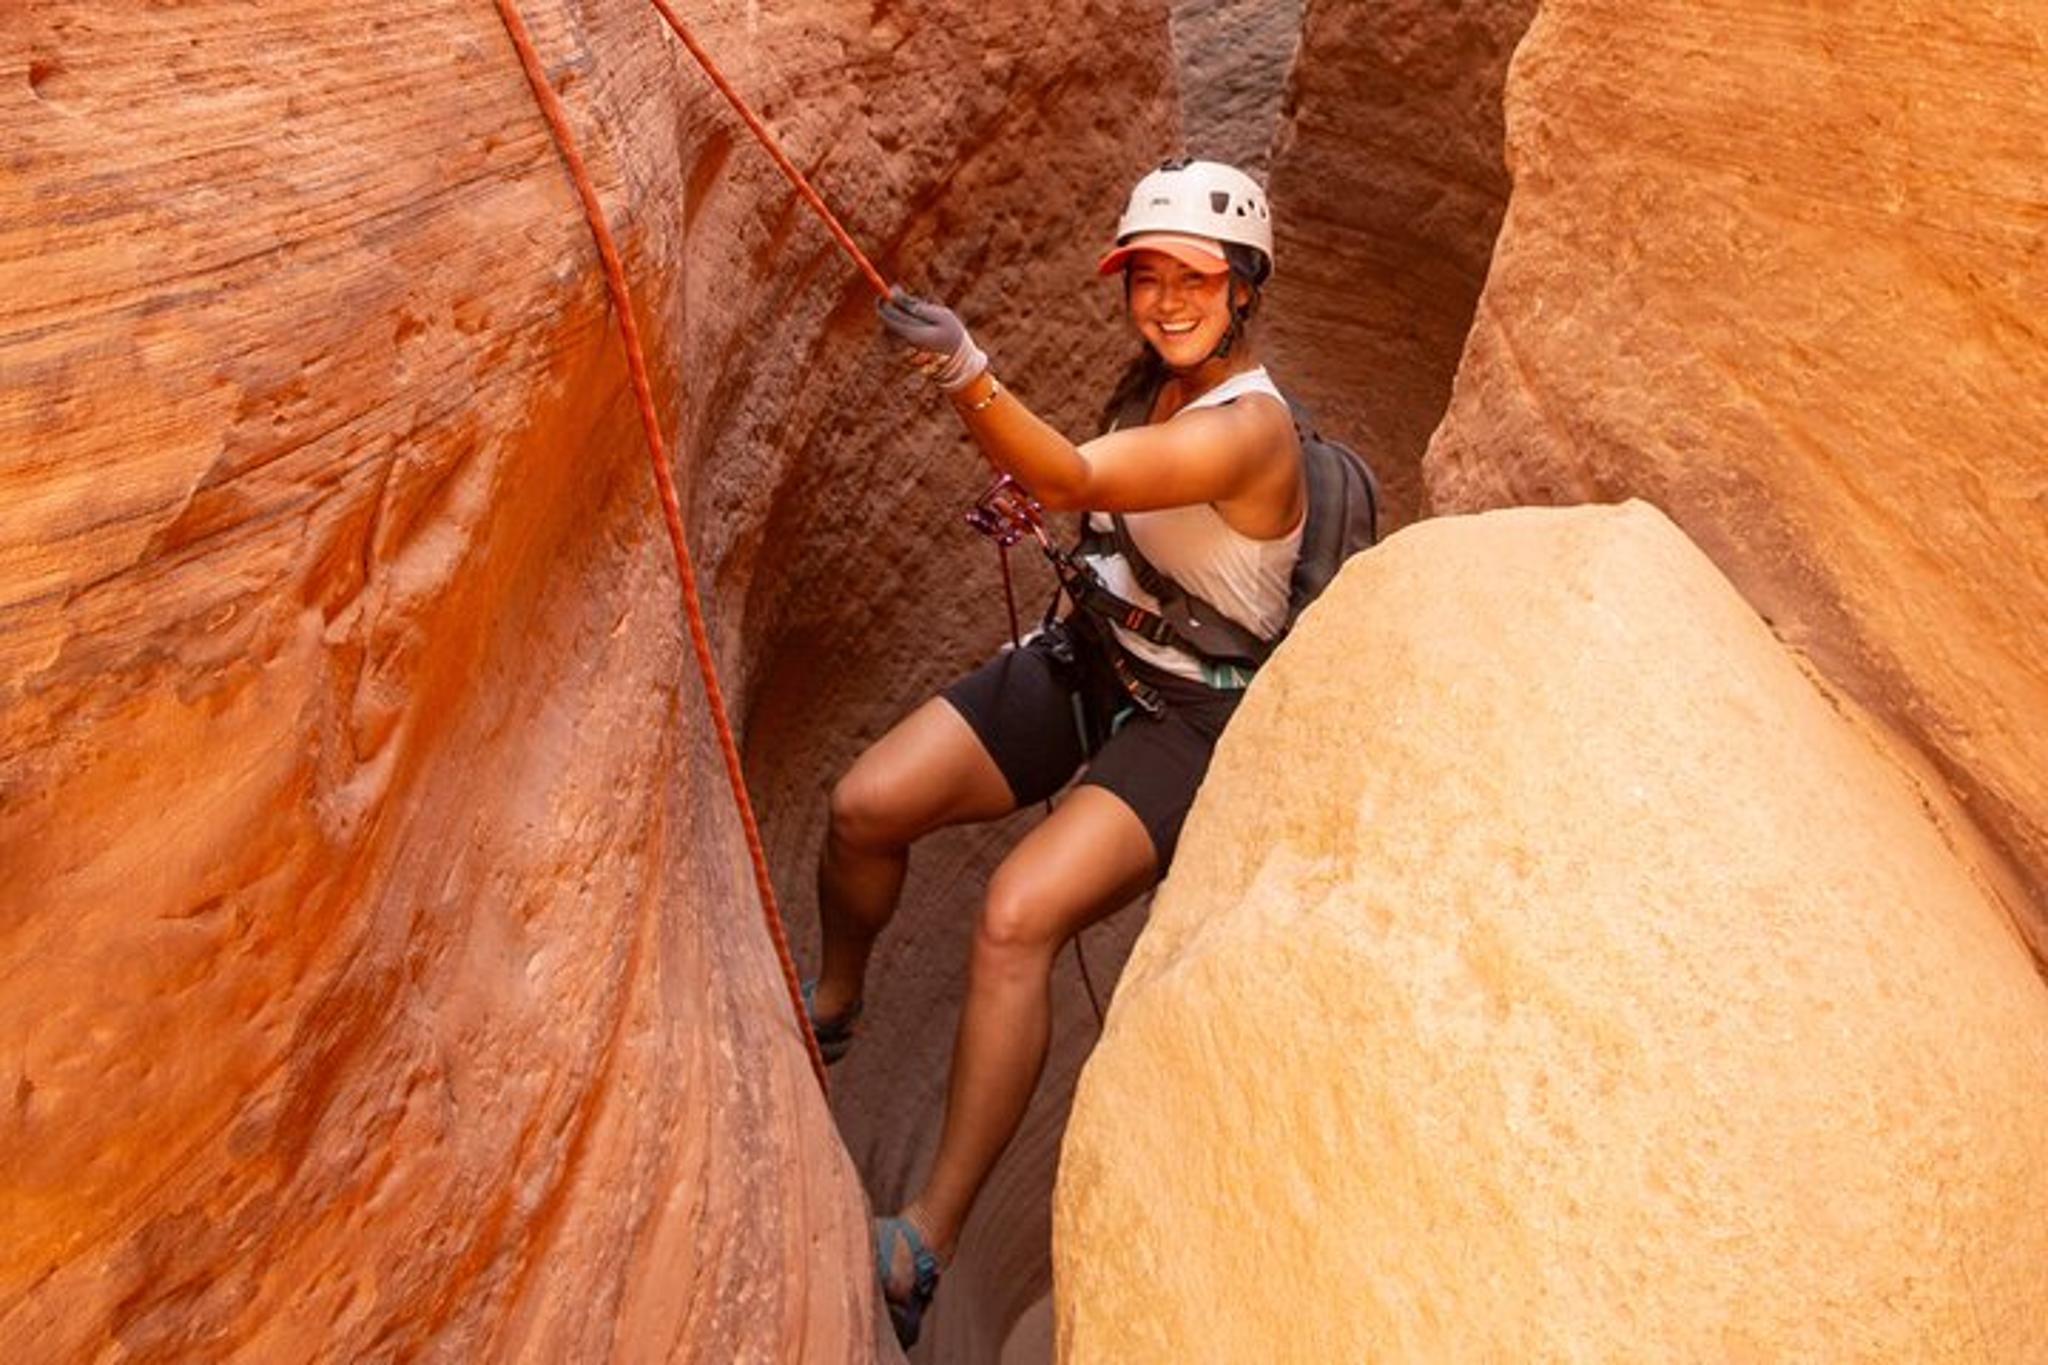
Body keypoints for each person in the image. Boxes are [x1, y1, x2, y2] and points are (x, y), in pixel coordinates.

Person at [806, 159, 1302, 1348]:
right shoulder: (1163, 393)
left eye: (1193, 276)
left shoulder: (1250, 432)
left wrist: (965, 369)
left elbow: (1074, 474)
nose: (1166, 298)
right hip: (1095, 652)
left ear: (1243, 287)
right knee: (864, 805)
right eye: (1145, 275)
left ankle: (927, 1232)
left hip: (1192, 717)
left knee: (1017, 916)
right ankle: (833, 1001)